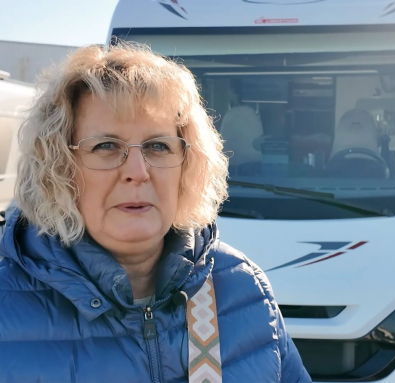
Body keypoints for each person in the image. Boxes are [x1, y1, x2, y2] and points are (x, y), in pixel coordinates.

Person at [0, 43, 311, 383]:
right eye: (106, 146)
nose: (138, 170)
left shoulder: (243, 289)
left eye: (157, 146)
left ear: (188, 164)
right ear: (59, 166)